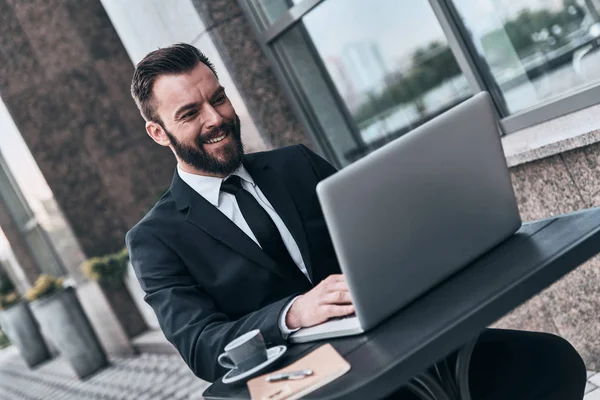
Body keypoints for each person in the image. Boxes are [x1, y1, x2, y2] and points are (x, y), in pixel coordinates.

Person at [126, 43, 586, 399]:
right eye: (189, 113)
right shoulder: (155, 239)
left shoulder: (296, 165)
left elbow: (380, 235)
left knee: (552, 363)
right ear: (156, 132)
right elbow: (203, 347)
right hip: (312, 386)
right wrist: (292, 314)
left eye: (218, 99)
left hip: (401, 345)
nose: (215, 119)